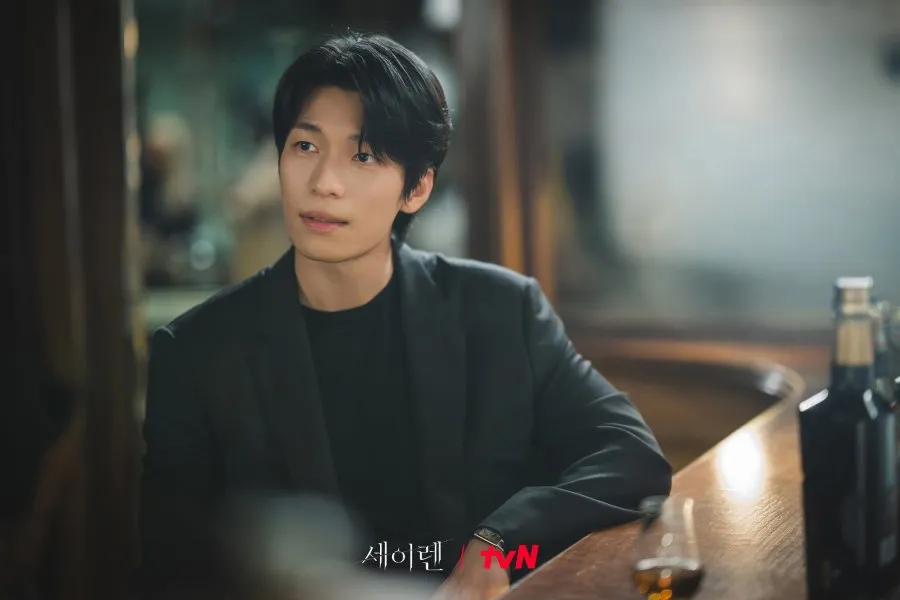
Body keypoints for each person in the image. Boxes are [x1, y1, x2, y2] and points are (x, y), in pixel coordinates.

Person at [136, 32, 672, 600]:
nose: (324, 184)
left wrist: (498, 540)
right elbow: (173, 571)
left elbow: (630, 454)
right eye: (306, 146)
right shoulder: (196, 353)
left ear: (415, 189)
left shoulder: (500, 310)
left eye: (363, 155)